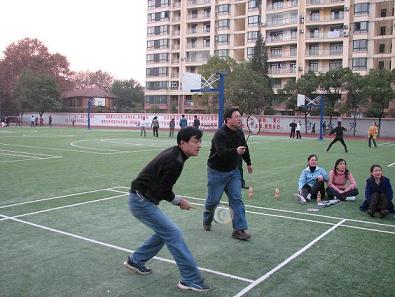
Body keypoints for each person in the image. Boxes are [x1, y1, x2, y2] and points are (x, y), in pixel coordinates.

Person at [125, 127, 209, 292]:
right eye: (195, 141)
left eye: (200, 141)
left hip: (141, 197)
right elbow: (163, 191)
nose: (199, 145)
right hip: (140, 200)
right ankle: (190, 279)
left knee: (164, 232)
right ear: (182, 143)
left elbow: (160, 188)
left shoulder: (176, 154)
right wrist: (179, 201)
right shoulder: (175, 161)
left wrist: (176, 200)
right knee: (173, 233)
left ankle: (136, 260)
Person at [203, 107, 253, 240]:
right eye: (236, 116)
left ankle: (239, 230)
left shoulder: (239, 132)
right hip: (216, 172)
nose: (239, 118)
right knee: (213, 201)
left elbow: (244, 148)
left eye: (240, 116)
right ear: (228, 119)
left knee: (236, 199)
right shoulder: (220, 134)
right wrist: (236, 151)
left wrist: (248, 163)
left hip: (233, 172)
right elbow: (221, 153)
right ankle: (207, 219)